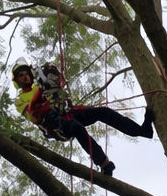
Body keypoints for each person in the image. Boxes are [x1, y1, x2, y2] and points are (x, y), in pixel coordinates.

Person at [12, 62, 153, 178]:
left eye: (26, 73)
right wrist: (44, 92)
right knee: (77, 128)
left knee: (103, 112)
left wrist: (52, 83)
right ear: (17, 81)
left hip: (67, 112)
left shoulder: (40, 85)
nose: (25, 76)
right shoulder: (20, 100)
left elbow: (59, 89)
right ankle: (104, 163)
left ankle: (142, 130)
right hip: (53, 122)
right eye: (21, 75)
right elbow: (32, 114)